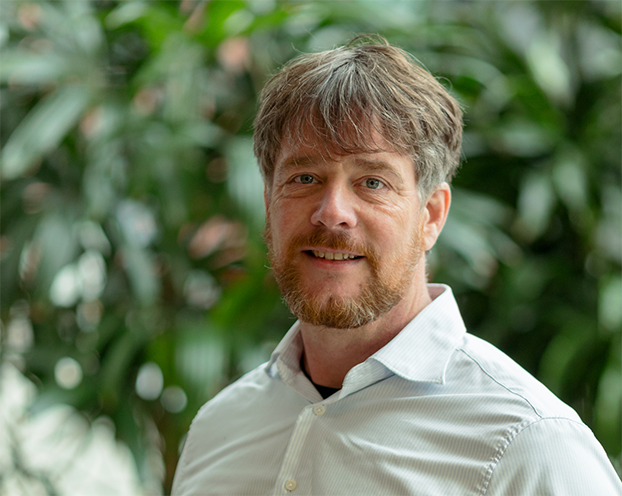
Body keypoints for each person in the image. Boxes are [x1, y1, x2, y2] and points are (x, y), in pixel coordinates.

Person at [172, 36, 622, 495]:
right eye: (305, 178)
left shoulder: (528, 444)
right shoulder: (218, 431)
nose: (332, 212)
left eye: (372, 182)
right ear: (269, 205)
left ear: (431, 216)